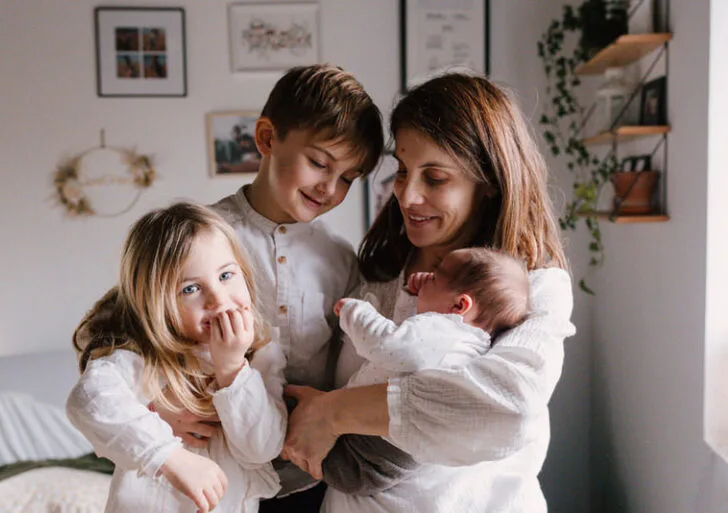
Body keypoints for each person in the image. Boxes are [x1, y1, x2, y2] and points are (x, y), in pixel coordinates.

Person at [71, 64, 384, 513]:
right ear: (267, 138)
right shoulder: (202, 239)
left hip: (304, 478)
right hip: (205, 473)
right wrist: (158, 408)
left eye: (349, 178)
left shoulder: (340, 260)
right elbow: (104, 339)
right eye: (319, 163)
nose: (331, 188)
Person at [281, 72, 577, 512]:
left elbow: (509, 408)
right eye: (402, 170)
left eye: (435, 178)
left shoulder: (534, 285)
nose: (407, 195)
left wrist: (334, 412)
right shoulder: (381, 271)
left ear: (490, 180)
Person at [66, 202, 287, 512]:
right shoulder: (140, 358)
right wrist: (169, 456)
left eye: (226, 275)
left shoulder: (260, 354)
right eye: (191, 289)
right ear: (156, 303)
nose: (217, 299)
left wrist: (232, 368)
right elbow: (87, 400)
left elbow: (262, 448)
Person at [335, 247, 530, 388]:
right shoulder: (468, 344)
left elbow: (386, 344)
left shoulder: (444, 331)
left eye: (435, 277)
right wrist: (416, 293)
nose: (427, 276)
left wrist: (354, 311)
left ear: (459, 305)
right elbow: (410, 333)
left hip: (357, 424)